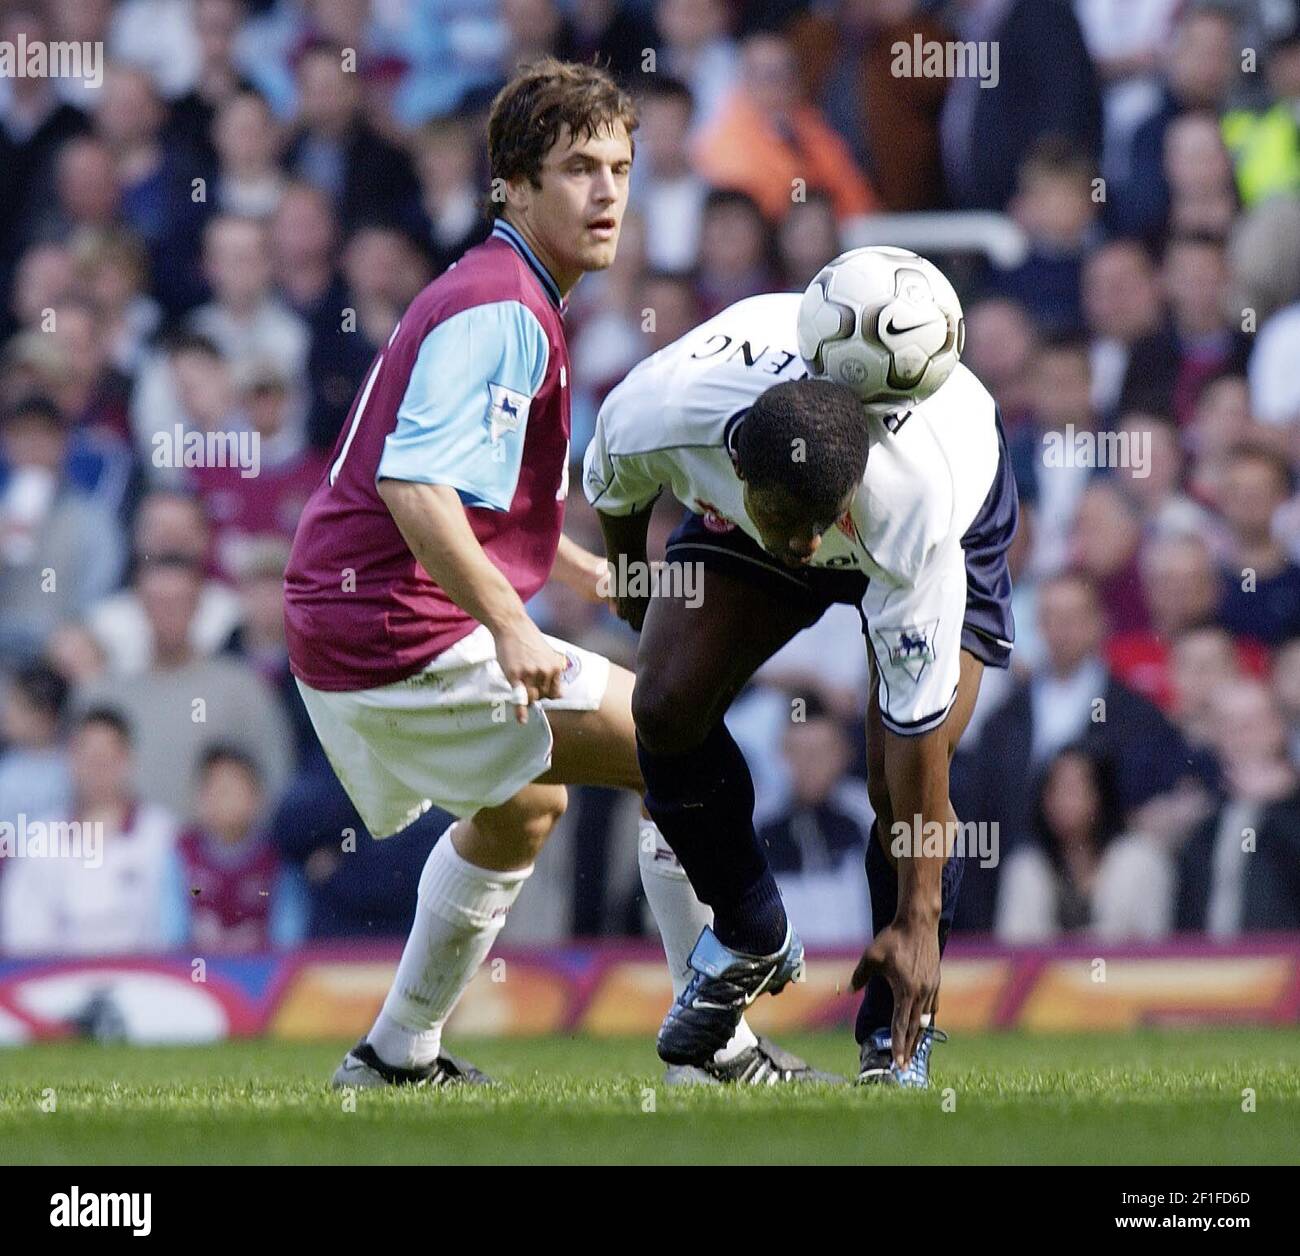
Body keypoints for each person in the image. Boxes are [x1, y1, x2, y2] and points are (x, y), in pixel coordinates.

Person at [285, 59, 823, 1090]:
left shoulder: (505, 289)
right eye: (579, 167)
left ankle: (397, 1055)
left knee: (522, 808)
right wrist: (514, 629)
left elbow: (470, 509)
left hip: (354, 624)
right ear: (514, 186)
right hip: (396, 632)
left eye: (620, 167)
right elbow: (416, 491)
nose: (608, 191)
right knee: (680, 745)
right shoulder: (503, 310)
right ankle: (715, 1048)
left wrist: (584, 570)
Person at [584, 283, 1018, 1086]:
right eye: (796, 529)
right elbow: (613, 485)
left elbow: (920, 744)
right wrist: (628, 575)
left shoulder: (913, 509)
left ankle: (893, 1038)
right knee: (664, 703)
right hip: (766, 508)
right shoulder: (660, 407)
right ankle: (749, 928)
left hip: (938, 510)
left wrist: (918, 921)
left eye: (822, 526)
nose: (811, 546)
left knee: (898, 787)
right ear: (737, 463)